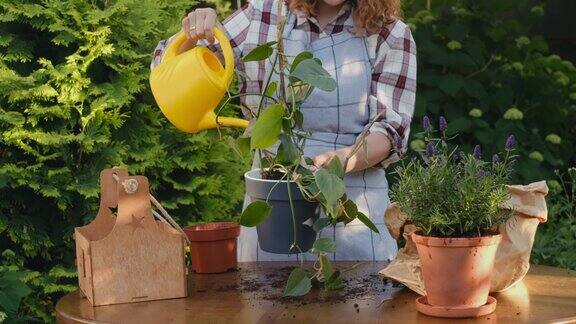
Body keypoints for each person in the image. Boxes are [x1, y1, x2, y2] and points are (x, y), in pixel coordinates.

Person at [151, 0, 416, 262]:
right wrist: (193, 33)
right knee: (265, 296)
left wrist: (344, 159)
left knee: (359, 299)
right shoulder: (264, 13)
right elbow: (169, 70)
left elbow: (390, 131)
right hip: (272, 210)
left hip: (351, 209)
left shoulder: (390, 34)